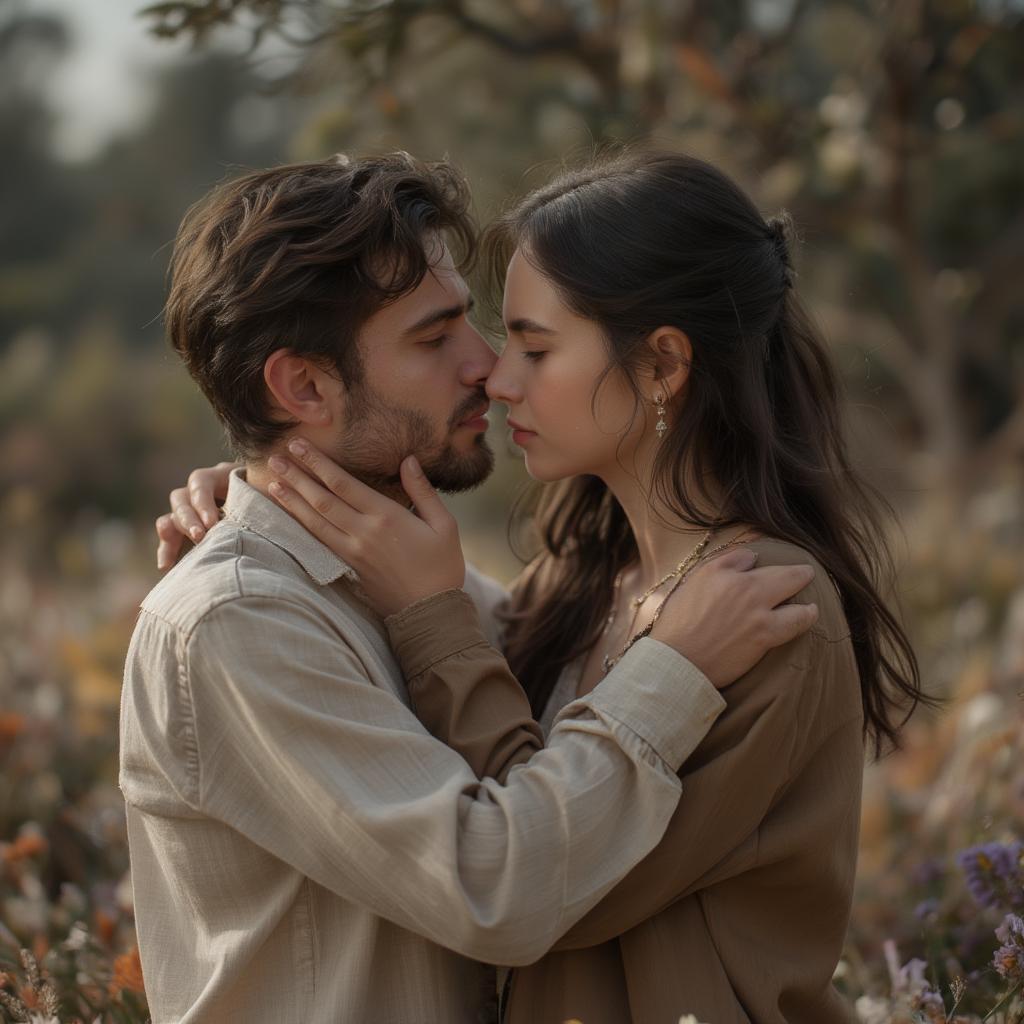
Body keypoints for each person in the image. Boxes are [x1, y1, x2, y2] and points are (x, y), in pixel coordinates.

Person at [165, 149, 930, 1023]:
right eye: (465, 338)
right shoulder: (578, 584)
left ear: (662, 367)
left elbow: (558, 895)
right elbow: (451, 646)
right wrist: (258, 499)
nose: (496, 373)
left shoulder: (761, 603)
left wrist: (415, 602)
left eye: (534, 345)